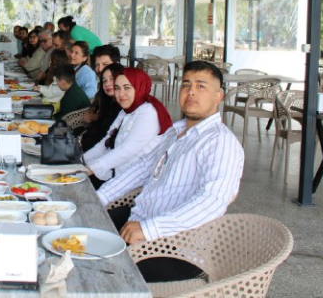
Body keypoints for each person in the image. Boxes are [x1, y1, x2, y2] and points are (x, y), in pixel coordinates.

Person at [98, 61, 244, 284]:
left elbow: (212, 201)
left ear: (218, 96)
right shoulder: (175, 132)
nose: (191, 91)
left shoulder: (220, 142)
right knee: (87, 228)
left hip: (176, 247)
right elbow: (142, 168)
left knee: (99, 270)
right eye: (186, 85)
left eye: (201, 86)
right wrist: (99, 198)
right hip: (140, 218)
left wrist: (149, 229)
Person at [84, 68, 172, 185]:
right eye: (117, 88)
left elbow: (127, 149)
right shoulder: (125, 112)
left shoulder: (148, 113)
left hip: (138, 184)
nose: (121, 94)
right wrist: (82, 161)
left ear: (139, 87)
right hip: (118, 176)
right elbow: (105, 143)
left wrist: (90, 169)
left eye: (127, 88)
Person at [80, 63, 124, 153]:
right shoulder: (107, 103)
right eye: (104, 81)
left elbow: (104, 140)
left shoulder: (122, 108)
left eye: (112, 79)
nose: (107, 84)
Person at [85, 44, 122, 125]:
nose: (100, 69)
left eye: (105, 64)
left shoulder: (123, 89)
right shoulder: (102, 87)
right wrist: (94, 107)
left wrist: (94, 117)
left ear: (117, 64)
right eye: (97, 65)